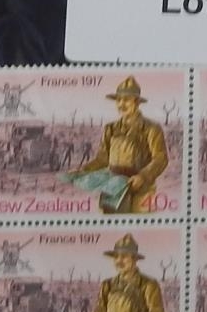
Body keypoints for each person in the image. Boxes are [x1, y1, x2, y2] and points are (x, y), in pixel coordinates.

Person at [70, 75, 168, 214]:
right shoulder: (110, 128)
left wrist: (143, 177)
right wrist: (83, 170)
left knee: (140, 224)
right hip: (112, 187)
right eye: (118, 100)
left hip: (140, 190)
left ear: (136, 102)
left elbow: (160, 158)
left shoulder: (151, 128)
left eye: (126, 100)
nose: (121, 104)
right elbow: (103, 159)